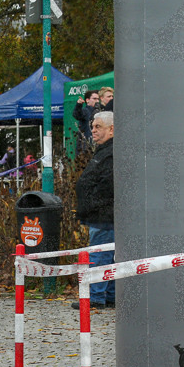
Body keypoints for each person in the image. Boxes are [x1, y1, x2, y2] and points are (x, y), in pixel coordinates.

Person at [73, 111, 115, 310]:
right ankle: (110, 295)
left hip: (103, 215)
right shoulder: (104, 150)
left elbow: (107, 184)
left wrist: (93, 204)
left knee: (99, 256)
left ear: (111, 129)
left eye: (98, 126)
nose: (93, 130)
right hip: (102, 213)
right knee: (110, 256)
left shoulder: (111, 152)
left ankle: (96, 296)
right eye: (92, 126)